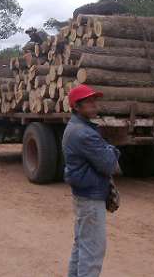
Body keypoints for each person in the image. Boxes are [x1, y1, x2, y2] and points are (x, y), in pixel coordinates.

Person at [62, 84, 120, 277]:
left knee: (81, 247)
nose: (94, 105)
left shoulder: (77, 127)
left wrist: (106, 149)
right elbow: (109, 164)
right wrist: (112, 149)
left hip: (84, 195)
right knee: (92, 252)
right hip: (91, 197)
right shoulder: (84, 133)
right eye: (89, 102)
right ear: (76, 107)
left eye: (95, 100)